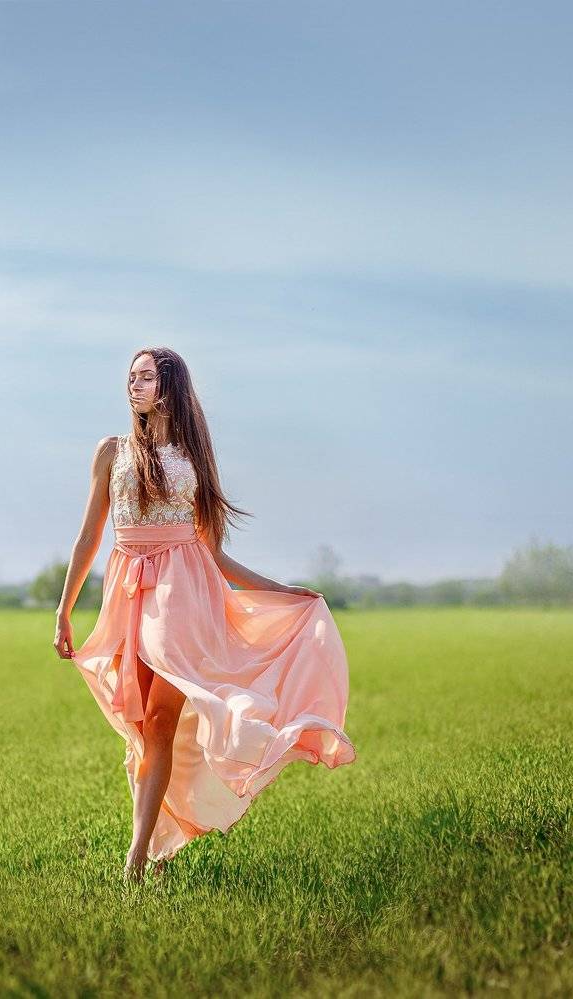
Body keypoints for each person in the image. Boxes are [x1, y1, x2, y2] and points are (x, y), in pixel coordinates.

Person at [52, 346, 358, 884]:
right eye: (130, 377)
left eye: (145, 377)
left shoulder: (192, 460)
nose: (134, 386)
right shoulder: (111, 451)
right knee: (148, 728)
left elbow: (212, 553)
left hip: (181, 595)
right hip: (128, 592)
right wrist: (64, 611)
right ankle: (154, 842)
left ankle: (135, 859)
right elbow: (89, 536)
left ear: (169, 386)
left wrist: (280, 589)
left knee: (165, 719)